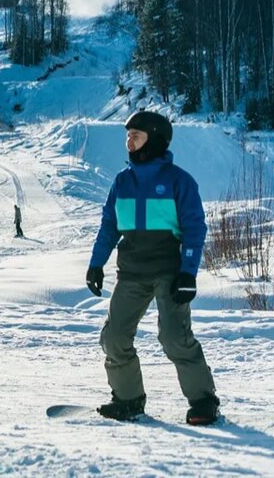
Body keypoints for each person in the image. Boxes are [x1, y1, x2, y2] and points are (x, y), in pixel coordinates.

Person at [85, 110, 219, 425]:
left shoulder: (178, 181)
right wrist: (96, 264)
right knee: (115, 337)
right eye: (127, 135)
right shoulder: (122, 181)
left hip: (169, 271)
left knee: (174, 336)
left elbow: (194, 229)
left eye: (136, 135)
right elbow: (109, 227)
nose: (129, 141)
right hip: (131, 271)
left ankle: (204, 400)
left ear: (155, 140)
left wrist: (188, 272)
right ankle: (128, 400)